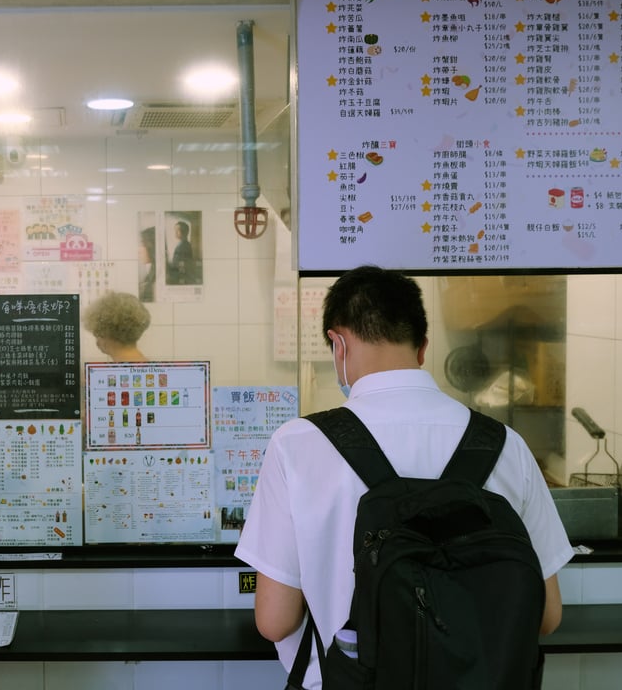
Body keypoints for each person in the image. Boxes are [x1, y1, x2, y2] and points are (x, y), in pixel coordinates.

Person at [234, 265, 572, 689]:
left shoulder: (296, 445)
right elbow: (547, 616)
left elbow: (275, 621)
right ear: (423, 347)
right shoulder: (505, 445)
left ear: (337, 344)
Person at [81, 291, 150, 361]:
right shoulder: (150, 368)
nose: (97, 340)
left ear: (106, 332)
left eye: (97, 332)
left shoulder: (113, 370)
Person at [167, 219, 194, 285]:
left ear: (184, 232)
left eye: (177, 230)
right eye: (175, 230)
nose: (175, 232)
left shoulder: (184, 246)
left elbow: (181, 266)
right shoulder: (182, 244)